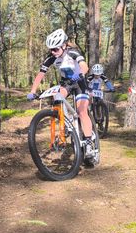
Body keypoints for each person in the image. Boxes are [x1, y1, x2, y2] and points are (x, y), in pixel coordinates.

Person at [27, 28, 96, 158]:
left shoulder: (73, 52)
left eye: (55, 49)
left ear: (64, 45)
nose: (53, 52)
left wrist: (80, 74)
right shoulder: (51, 58)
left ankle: (88, 142)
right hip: (66, 83)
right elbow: (40, 74)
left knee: (82, 111)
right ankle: (66, 123)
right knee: (57, 96)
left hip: (80, 82)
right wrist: (33, 91)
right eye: (51, 50)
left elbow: (85, 67)